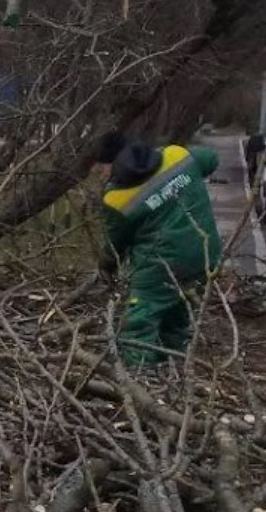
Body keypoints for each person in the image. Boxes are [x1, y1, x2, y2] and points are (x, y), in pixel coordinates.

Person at [94, 132, 221, 368]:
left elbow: (115, 244)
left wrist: (106, 265)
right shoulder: (177, 155)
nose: (100, 174)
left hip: (161, 264)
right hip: (205, 255)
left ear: (112, 165)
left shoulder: (116, 199)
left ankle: (140, 380)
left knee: (139, 320)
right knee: (177, 310)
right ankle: (172, 371)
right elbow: (211, 160)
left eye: (101, 167)